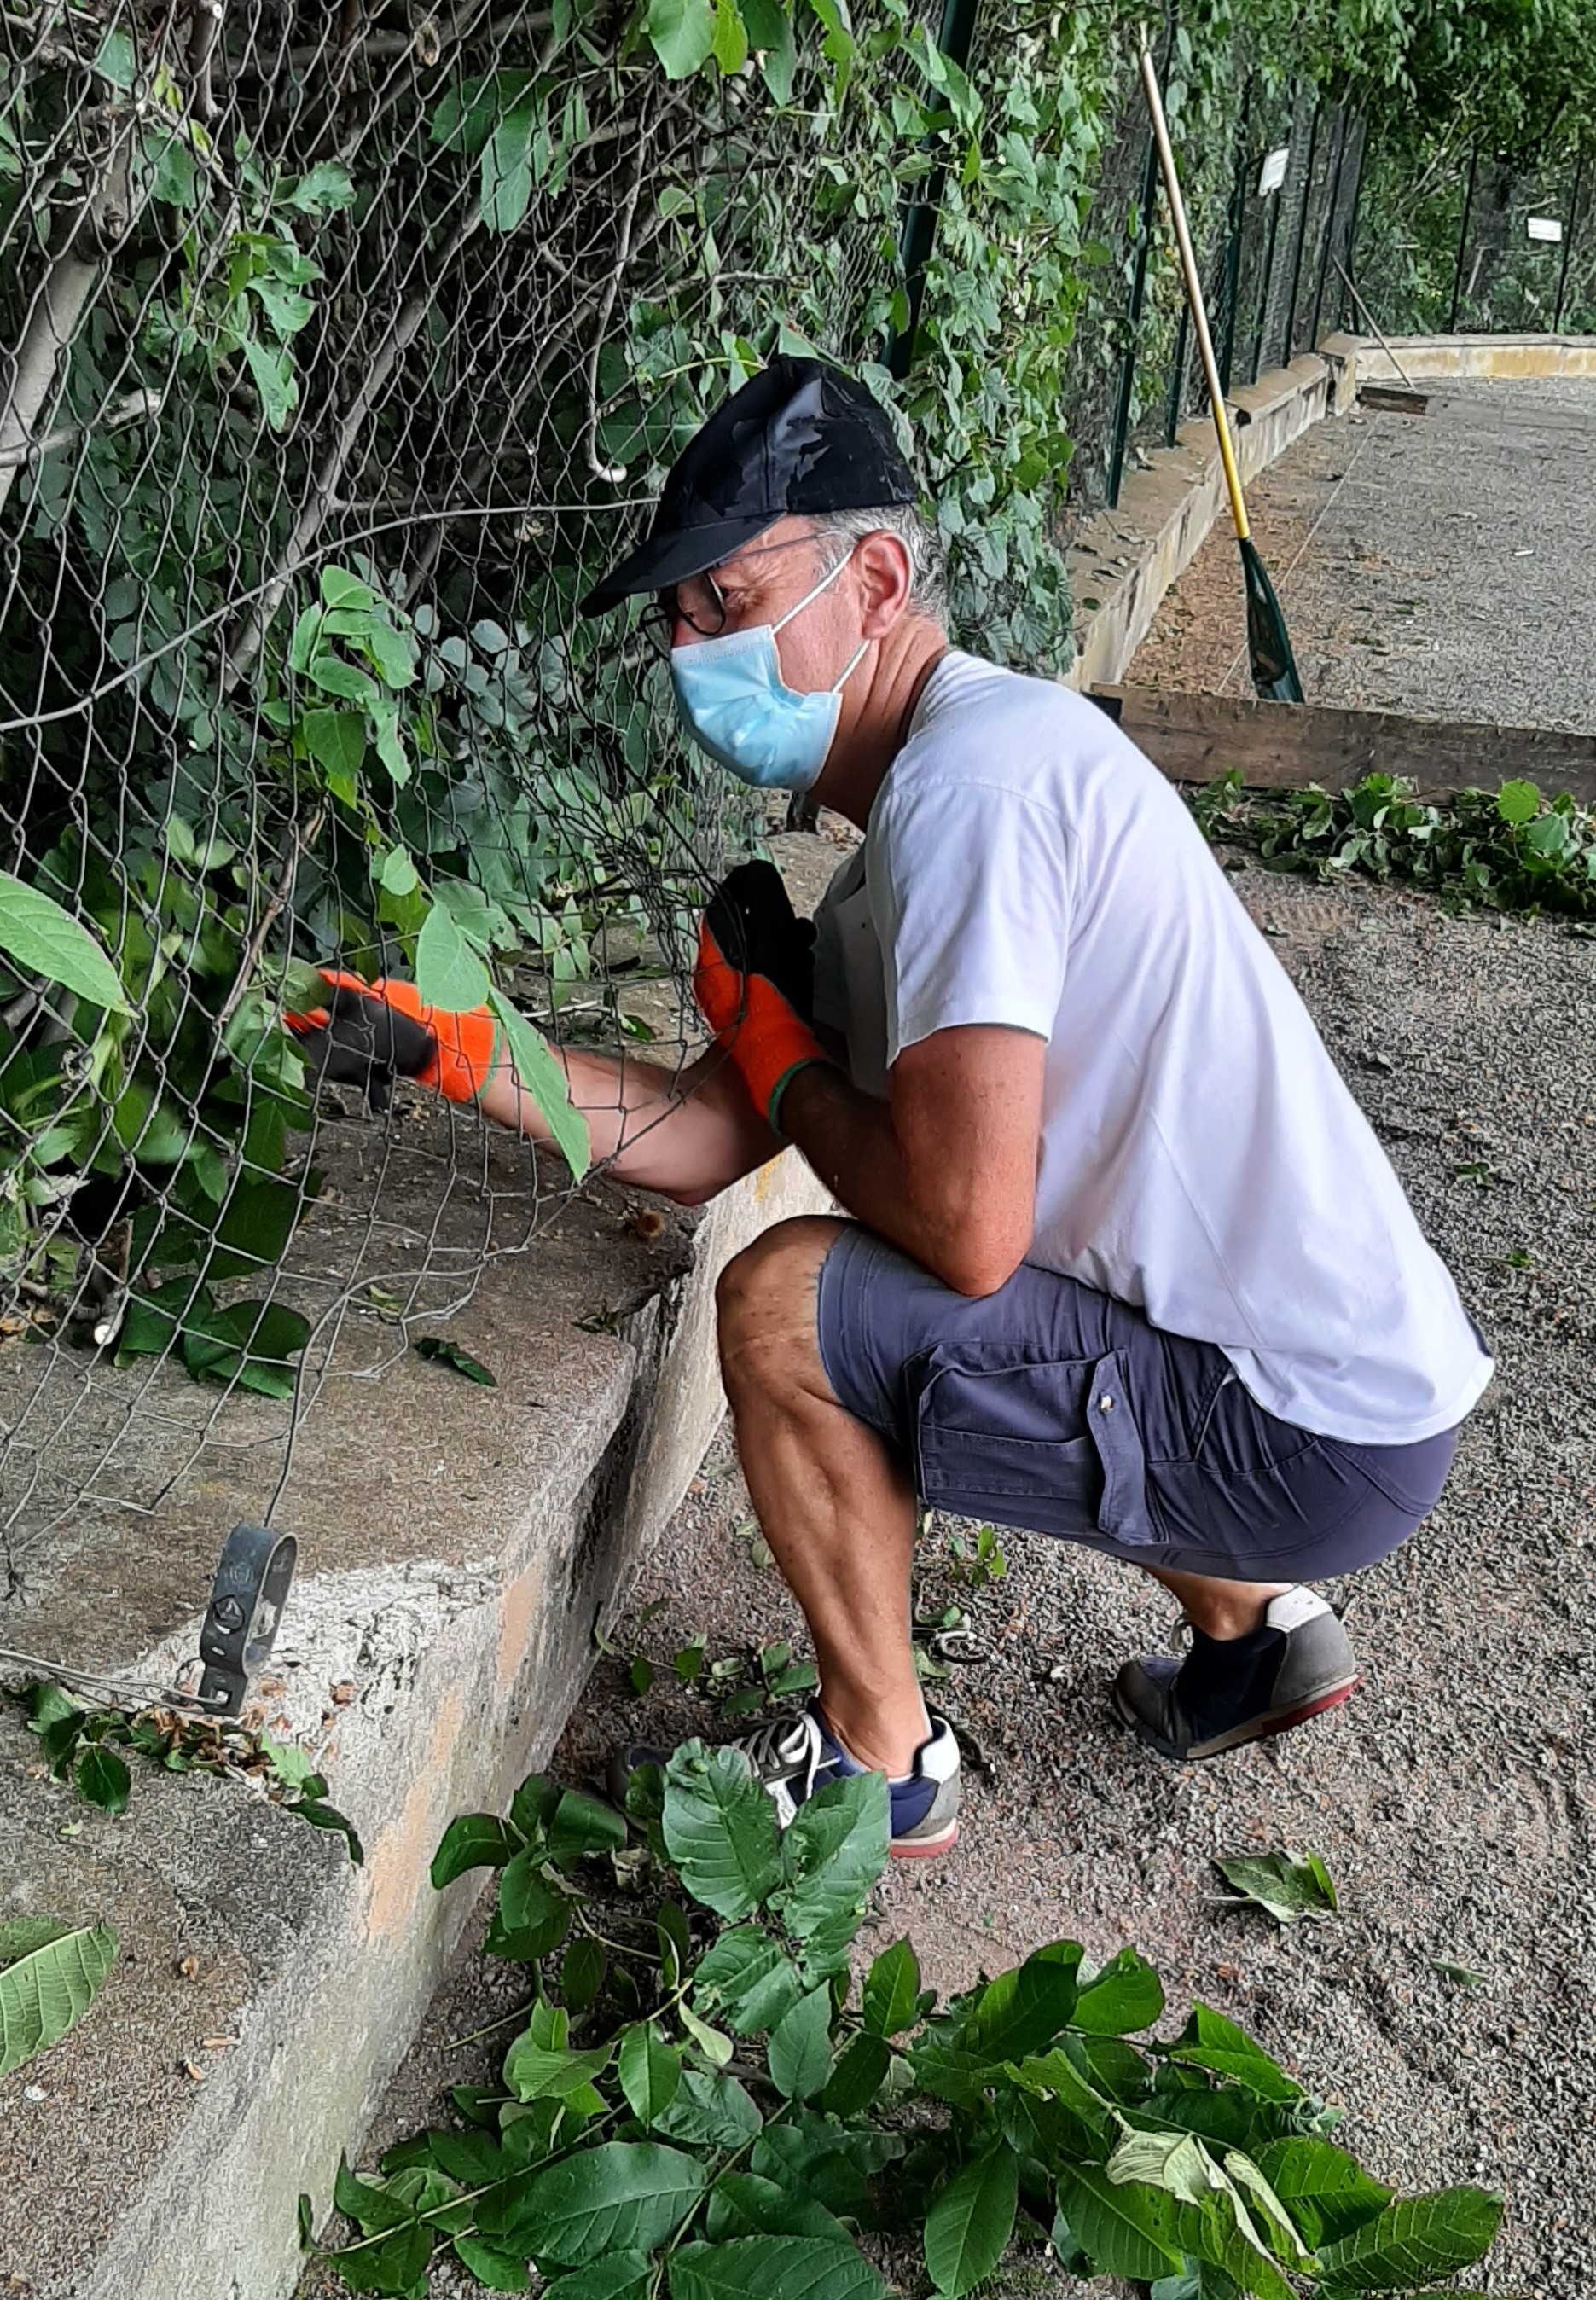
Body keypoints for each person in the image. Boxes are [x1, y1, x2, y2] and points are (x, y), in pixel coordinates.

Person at [290, 355, 1493, 1861]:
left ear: (871, 579)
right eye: (676, 622)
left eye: (727, 604)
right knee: (975, 1268)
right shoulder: (938, 803)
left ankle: (884, 1756)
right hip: (1354, 1393)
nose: (690, 653)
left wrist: (783, 1049)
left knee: (787, 1303)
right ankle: (1253, 1633)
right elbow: (709, 1137)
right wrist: (458, 1051)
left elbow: (965, 1235)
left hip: (1304, 1431)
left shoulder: (968, 800)